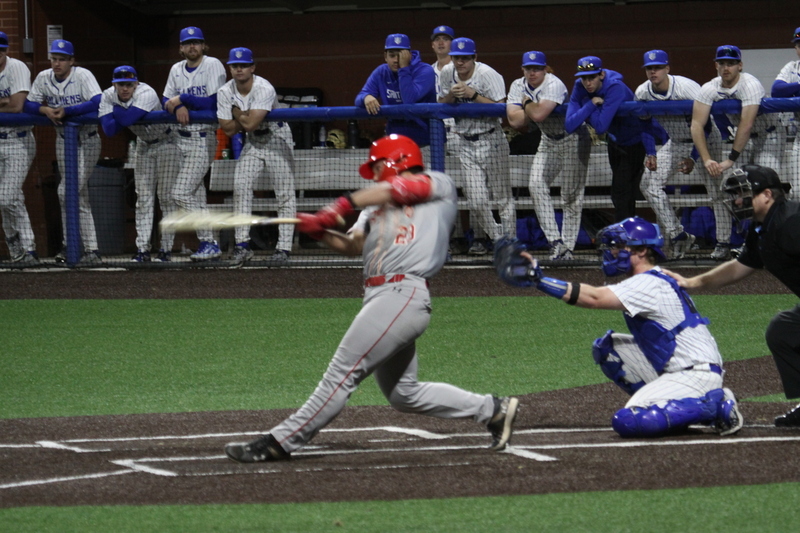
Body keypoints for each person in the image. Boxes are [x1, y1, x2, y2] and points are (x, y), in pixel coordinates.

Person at [224, 134, 519, 462]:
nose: (374, 173)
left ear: (395, 161)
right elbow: (353, 246)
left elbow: (400, 190)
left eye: (377, 165)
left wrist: (340, 205)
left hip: (402, 293)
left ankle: (280, 441)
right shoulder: (376, 204)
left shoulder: (439, 184)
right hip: (381, 297)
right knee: (403, 393)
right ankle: (493, 409)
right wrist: (320, 232)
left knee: (342, 372)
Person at [494, 217, 743, 438]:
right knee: (609, 349)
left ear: (642, 250)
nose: (611, 252)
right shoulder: (649, 280)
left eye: (618, 246)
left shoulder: (648, 283)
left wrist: (540, 280)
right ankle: (671, 404)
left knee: (629, 421)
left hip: (694, 373)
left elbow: (593, 298)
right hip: (680, 367)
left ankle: (715, 407)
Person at [667, 164, 800, 427]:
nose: (738, 200)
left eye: (743, 193)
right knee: (783, 330)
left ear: (767, 195)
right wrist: (694, 282)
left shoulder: (791, 222)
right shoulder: (762, 229)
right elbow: (740, 267)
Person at [634, 50, 733, 261]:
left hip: (706, 140)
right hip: (676, 141)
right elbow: (643, 124)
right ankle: (679, 235)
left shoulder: (687, 88)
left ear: (667, 69)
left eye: (658, 67)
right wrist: (650, 152)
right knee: (648, 184)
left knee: (716, 193)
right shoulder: (642, 92)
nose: (653, 72)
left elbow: (704, 127)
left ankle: (723, 243)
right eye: (649, 68)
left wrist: (694, 158)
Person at [506, 50, 590, 261]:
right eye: (528, 69)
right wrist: (531, 107)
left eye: (537, 69)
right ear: (523, 69)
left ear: (545, 69)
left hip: (573, 138)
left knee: (570, 195)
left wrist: (525, 104)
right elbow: (515, 122)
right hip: (548, 139)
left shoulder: (554, 84)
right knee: (535, 184)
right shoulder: (518, 85)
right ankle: (555, 242)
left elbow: (538, 114)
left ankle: (568, 248)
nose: (532, 73)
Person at [217, 47, 297, 265]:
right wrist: (244, 118)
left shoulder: (264, 87)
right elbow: (229, 130)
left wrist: (236, 112)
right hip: (252, 141)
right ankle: (242, 245)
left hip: (276, 137)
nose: (239, 69)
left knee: (284, 194)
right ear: (230, 68)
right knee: (241, 187)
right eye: (235, 65)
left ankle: (284, 248)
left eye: (243, 65)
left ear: (253, 67)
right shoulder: (225, 91)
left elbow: (250, 123)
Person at [25, 39, 102, 265]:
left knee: (66, 191)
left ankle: (74, 246)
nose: (56, 63)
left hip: (87, 140)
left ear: (71, 60)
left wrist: (68, 111)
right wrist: (45, 109)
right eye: (54, 59)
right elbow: (29, 104)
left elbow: (98, 101)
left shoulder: (82, 75)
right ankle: (88, 249)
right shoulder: (43, 77)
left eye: (61, 59)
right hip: (63, 141)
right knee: (79, 196)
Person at [438, 37, 515, 255]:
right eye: (456, 58)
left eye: (465, 58)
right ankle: (500, 240)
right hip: (465, 142)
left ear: (474, 58)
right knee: (477, 200)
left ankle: (510, 244)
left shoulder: (487, 74)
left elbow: (503, 109)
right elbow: (442, 105)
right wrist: (453, 94)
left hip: (492, 139)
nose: (460, 62)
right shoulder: (447, 73)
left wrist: (474, 95)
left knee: (502, 198)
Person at [99, 66, 178, 263]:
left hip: (167, 142)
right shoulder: (108, 94)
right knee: (143, 198)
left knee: (166, 198)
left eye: (129, 84)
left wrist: (116, 111)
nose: (125, 89)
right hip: (143, 145)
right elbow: (109, 130)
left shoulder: (146, 92)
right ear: (114, 84)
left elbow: (125, 119)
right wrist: (122, 114)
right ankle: (142, 249)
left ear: (136, 84)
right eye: (120, 85)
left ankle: (166, 250)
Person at [163, 26, 226, 261]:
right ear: (181, 47)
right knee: (196, 195)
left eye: (196, 42)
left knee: (180, 193)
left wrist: (183, 99)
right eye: (188, 43)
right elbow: (164, 99)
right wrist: (178, 105)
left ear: (203, 45)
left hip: (203, 137)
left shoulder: (213, 64)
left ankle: (209, 241)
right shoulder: (176, 69)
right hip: (180, 140)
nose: (192, 46)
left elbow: (214, 102)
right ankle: (210, 244)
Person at [566, 56, 646, 222]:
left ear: (601, 75)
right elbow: (569, 125)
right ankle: (627, 235)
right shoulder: (580, 87)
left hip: (635, 143)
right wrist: (591, 104)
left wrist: (587, 106)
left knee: (622, 192)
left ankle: (625, 237)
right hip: (615, 142)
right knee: (621, 193)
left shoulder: (615, 87)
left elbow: (601, 126)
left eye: (592, 77)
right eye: (584, 78)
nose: (588, 83)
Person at [355, 33, 436, 148]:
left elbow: (409, 100)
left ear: (409, 55)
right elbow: (359, 98)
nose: (396, 60)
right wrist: (366, 97)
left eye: (400, 56)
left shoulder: (425, 71)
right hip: (395, 140)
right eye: (392, 55)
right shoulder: (381, 72)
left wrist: (404, 69)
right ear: (385, 56)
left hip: (427, 141)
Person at [0, 31, 37, 264]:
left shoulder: (17, 67)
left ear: (5, 50)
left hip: (18, 140)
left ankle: (29, 248)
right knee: (7, 198)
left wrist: (7, 102)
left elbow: (16, 106)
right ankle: (18, 251)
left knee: (6, 197)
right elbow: (8, 102)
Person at [772, 27, 800, 198]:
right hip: (799, 138)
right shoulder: (792, 67)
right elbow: (776, 90)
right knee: (797, 192)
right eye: (798, 45)